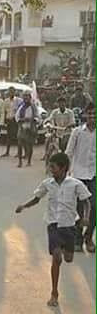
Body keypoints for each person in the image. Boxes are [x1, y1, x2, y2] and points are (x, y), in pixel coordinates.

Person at [15, 153, 91, 308]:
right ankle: (54, 293)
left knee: (68, 258)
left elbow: (86, 202)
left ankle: (64, 249)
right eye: (50, 166)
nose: (50, 169)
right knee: (56, 257)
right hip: (53, 225)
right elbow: (37, 198)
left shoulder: (75, 184)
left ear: (63, 168)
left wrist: (86, 218)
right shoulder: (47, 183)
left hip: (69, 225)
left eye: (53, 167)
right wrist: (23, 206)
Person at [65, 107, 96, 252]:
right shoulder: (77, 132)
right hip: (78, 175)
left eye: (95, 114)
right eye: (90, 114)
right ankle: (77, 239)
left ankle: (88, 238)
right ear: (85, 115)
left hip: (94, 175)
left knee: (94, 208)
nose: (92, 117)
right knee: (78, 208)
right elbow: (69, 152)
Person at [15, 92, 40, 167]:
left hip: (30, 128)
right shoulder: (21, 107)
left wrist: (32, 119)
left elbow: (37, 117)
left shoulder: (33, 107)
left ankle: (29, 161)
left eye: (27, 97)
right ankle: (20, 161)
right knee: (19, 145)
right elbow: (17, 117)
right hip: (22, 128)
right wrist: (23, 120)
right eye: (24, 97)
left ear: (30, 98)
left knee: (30, 146)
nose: (26, 98)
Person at [3, 86, 22, 157]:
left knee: (17, 137)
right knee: (8, 136)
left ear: (15, 92)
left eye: (12, 91)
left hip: (15, 120)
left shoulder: (19, 100)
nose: (11, 93)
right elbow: (4, 111)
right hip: (9, 120)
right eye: (10, 91)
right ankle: (7, 152)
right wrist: (4, 120)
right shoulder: (6, 100)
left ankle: (18, 152)